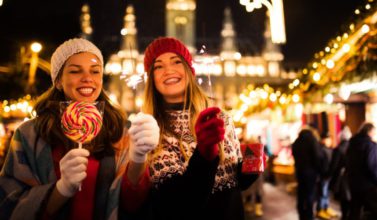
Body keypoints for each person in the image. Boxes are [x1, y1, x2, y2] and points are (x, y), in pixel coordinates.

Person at [0, 38, 160, 220]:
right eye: (75, 71)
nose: (87, 78)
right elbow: (9, 205)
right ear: (58, 81)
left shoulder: (121, 133)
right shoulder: (29, 135)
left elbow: (133, 204)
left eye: (95, 71)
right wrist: (61, 189)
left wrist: (138, 158)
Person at [139, 37, 260, 220]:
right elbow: (178, 206)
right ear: (151, 79)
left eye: (177, 61)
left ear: (190, 70)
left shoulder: (221, 118)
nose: (169, 70)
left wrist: (253, 163)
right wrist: (204, 154)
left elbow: (235, 183)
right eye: (158, 66)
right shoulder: (151, 130)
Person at [292, 126, 325, 220]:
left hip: (299, 171)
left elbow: (294, 155)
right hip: (311, 172)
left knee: (301, 193)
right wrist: (319, 169)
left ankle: (302, 214)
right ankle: (309, 215)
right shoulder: (312, 141)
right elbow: (317, 156)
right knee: (310, 194)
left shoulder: (296, 142)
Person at [346, 122, 377, 219]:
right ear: (369, 131)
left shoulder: (352, 144)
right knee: (373, 209)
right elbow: (371, 165)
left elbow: (347, 161)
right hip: (368, 184)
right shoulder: (370, 145)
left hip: (353, 182)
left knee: (355, 210)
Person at [328, 125, 352, 220]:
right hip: (352, 177)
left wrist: (331, 178)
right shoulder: (353, 147)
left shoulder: (338, 149)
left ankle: (345, 216)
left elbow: (334, 166)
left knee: (344, 200)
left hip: (342, 178)